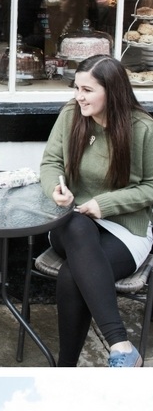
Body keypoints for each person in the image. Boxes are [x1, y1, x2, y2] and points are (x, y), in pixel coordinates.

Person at [40, 55, 153, 367]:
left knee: (70, 276)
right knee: (77, 226)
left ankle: (65, 369)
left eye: (87, 90)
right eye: (76, 88)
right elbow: (50, 163)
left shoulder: (142, 128)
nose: (79, 96)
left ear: (112, 92)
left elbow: (151, 187)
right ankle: (120, 344)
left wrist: (104, 205)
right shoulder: (71, 115)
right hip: (72, 221)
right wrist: (55, 190)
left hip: (126, 227)